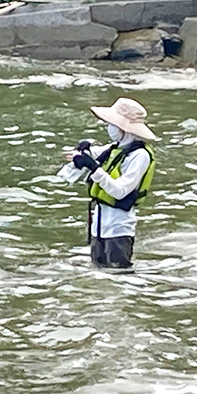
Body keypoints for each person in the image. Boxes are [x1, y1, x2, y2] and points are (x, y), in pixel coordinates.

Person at [71, 97, 157, 269]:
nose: (109, 127)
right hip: (99, 229)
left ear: (124, 129)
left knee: (119, 276)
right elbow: (88, 154)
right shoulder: (115, 148)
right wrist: (81, 151)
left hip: (119, 230)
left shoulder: (140, 156)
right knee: (98, 276)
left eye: (113, 124)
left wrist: (94, 169)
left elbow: (120, 191)